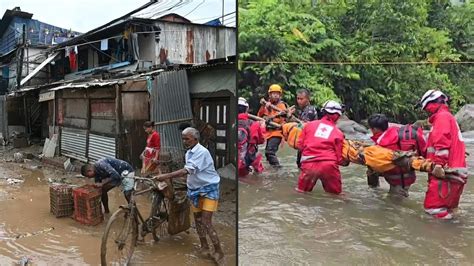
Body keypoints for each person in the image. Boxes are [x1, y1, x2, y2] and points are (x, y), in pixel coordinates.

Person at [155, 127, 224, 264]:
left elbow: (187, 170)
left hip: (208, 189)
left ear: (195, 139)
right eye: (183, 139)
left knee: (206, 222)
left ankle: (219, 251)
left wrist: (166, 176)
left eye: (187, 138)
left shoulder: (201, 152)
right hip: (194, 189)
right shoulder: (189, 153)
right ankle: (204, 246)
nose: (184, 141)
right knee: (198, 220)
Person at [418, 89, 468, 220]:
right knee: (450, 210)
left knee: (433, 210)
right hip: (456, 172)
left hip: (446, 172)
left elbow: (442, 143)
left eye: (426, 109)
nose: (426, 112)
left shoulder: (442, 117)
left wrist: (439, 165)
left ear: (431, 104)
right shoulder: (448, 117)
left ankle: (439, 238)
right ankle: (454, 235)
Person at [367, 114, 426, 196]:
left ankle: (374, 191)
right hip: (409, 174)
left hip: (396, 178)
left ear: (374, 129)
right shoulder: (405, 133)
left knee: (395, 200)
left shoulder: (381, 144)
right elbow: (423, 152)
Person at [296, 100, 346, 194]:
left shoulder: (309, 125)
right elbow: (339, 158)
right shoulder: (339, 133)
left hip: (309, 164)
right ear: (338, 116)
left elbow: (300, 146)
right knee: (336, 195)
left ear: (323, 112)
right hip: (329, 165)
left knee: (301, 193)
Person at [257, 84, 288, 167]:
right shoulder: (266, 104)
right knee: (268, 154)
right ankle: (272, 170)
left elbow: (281, 118)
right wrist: (264, 106)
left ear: (280, 95)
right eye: (273, 93)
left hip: (277, 132)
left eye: (277, 94)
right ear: (269, 95)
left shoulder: (281, 106)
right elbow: (259, 116)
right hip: (268, 133)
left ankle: (278, 169)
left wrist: (271, 110)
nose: (275, 95)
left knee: (269, 152)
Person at [288, 88, 319, 168]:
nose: (299, 101)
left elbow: (303, 125)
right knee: (300, 163)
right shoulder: (303, 110)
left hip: (309, 141)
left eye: (301, 99)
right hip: (305, 140)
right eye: (298, 99)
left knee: (303, 163)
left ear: (308, 99)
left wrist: (290, 116)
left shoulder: (310, 110)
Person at [237, 97, 265, 177]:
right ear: (247, 109)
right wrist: (262, 127)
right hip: (247, 160)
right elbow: (261, 140)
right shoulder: (254, 124)